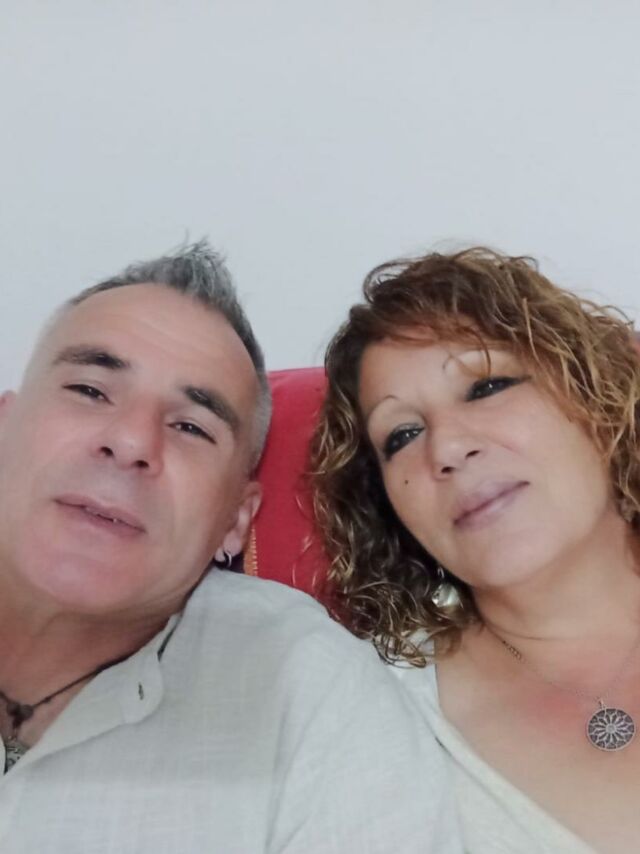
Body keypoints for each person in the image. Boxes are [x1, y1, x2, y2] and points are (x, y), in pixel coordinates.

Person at [0, 242, 460, 853]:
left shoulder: (310, 697)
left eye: (191, 426)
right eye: (89, 390)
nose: (131, 441)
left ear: (235, 521)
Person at [312, 246, 640, 854]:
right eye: (402, 434)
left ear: (596, 391)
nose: (446, 449)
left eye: (486, 387)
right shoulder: (369, 714)